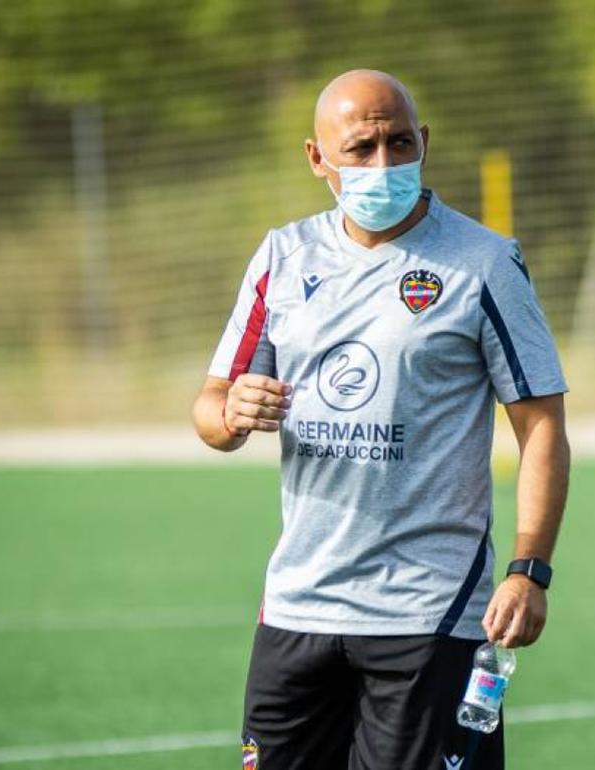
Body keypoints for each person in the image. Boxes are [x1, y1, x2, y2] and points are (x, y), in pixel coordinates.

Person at [191, 69, 570, 770]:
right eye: (361, 149)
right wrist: (232, 411)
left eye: (399, 144)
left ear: (423, 143)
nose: (383, 164)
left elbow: (541, 422)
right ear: (317, 159)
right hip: (299, 605)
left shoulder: (484, 264)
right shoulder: (282, 257)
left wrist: (529, 570)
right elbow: (212, 410)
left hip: (428, 613)